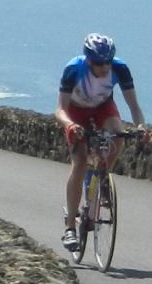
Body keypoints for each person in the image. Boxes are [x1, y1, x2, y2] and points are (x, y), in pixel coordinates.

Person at [57, 33, 145, 251]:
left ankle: (102, 178)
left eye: (108, 61)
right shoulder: (73, 69)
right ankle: (70, 227)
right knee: (79, 163)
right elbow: (59, 109)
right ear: (88, 60)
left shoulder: (120, 69)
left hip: (103, 108)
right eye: (98, 63)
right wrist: (70, 125)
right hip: (75, 112)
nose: (105, 67)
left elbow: (134, 106)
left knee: (118, 135)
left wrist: (141, 127)